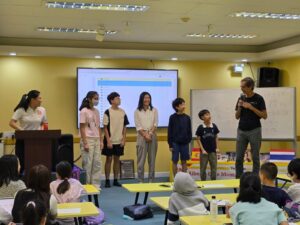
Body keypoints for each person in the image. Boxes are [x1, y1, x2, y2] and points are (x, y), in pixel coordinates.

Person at [235, 77, 267, 178]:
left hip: (255, 130)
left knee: (255, 157)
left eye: (243, 87)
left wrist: (251, 107)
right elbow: (237, 116)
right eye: (241, 86)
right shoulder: (240, 98)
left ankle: (255, 178)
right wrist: (240, 106)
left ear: (250, 87)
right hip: (241, 131)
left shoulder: (259, 98)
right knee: (239, 157)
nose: (241, 89)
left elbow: (264, 116)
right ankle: (238, 179)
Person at [9, 90, 48, 174]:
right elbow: (11, 122)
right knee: (23, 164)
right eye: (39, 98)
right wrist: (23, 131)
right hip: (23, 141)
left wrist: (44, 133)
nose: (41, 100)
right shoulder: (22, 110)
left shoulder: (42, 110)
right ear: (32, 100)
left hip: (38, 140)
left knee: (37, 163)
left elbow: (45, 123)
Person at [102, 92, 129, 188]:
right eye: (117, 98)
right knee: (108, 159)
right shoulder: (107, 112)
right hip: (110, 140)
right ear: (112, 100)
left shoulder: (122, 112)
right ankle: (107, 180)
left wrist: (124, 139)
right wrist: (108, 141)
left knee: (117, 159)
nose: (119, 99)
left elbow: (125, 127)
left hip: (119, 140)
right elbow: (105, 128)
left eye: (119, 98)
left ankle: (116, 180)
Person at [79, 91, 103, 188]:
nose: (97, 100)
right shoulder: (84, 111)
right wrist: (85, 143)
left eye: (98, 98)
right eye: (95, 98)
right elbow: (82, 127)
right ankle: (87, 185)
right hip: (88, 139)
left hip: (96, 139)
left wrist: (101, 140)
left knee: (97, 162)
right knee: (87, 163)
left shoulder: (96, 111)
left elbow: (98, 127)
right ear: (89, 99)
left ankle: (95, 185)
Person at [134, 92, 158, 183]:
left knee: (152, 159)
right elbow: (138, 126)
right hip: (141, 136)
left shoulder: (154, 110)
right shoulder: (137, 111)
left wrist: (150, 133)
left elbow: (155, 124)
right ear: (141, 99)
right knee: (141, 160)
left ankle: (151, 180)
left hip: (152, 135)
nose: (147, 100)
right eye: (145, 98)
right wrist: (145, 135)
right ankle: (141, 179)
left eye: (148, 98)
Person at [168, 98, 192, 176]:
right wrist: (170, 145)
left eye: (184, 104)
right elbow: (170, 131)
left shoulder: (187, 118)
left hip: (185, 143)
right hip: (175, 143)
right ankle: (175, 179)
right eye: (182, 104)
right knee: (175, 161)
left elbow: (189, 130)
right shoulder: (172, 117)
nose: (184, 106)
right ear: (177, 107)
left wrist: (188, 139)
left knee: (184, 161)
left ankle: (184, 179)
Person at [196, 109, 220, 181]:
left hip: (213, 151)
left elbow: (216, 137)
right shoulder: (200, 127)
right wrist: (202, 150)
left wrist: (217, 147)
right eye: (206, 115)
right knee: (203, 168)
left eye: (209, 114)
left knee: (214, 168)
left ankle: (213, 181)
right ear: (202, 117)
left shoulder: (214, 126)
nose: (209, 116)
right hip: (204, 152)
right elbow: (198, 139)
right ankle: (203, 182)